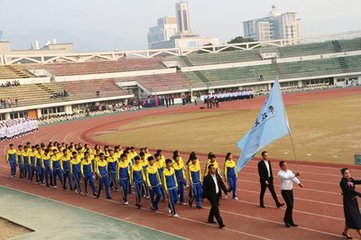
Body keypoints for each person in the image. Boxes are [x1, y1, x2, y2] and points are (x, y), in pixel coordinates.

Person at [277, 161, 303, 228]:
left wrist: (299, 183)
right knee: (290, 205)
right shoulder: (280, 173)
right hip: (285, 191)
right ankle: (286, 219)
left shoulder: (289, 171)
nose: (285, 167)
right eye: (283, 165)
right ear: (281, 166)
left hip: (290, 190)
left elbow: (293, 178)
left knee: (291, 206)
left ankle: (291, 221)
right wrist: (295, 174)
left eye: (286, 165)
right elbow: (286, 177)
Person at [202, 164, 228, 229]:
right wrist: (204, 197)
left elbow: (221, 184)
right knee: (216, 209)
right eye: (213, 168)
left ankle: (210, 219)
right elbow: (205, 188)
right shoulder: (206, 178)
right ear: (209, 169)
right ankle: (221, 223)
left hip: (217, 195)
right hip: (211, 195)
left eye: (215, 168)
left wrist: (225, 191)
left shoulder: (217, 176)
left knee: (214, 207)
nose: (214, 169)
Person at [340, 168, 361, 239]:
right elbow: (350, 191)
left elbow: (356, 181)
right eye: (345, 173)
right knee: (355, 219)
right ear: (342, 175)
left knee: (350, 218)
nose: (348, 174)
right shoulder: (342, 183)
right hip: (348, 202)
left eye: (348, 173)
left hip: (354, 202)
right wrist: (359, 194)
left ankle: (345, 233)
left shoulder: (351, 179)